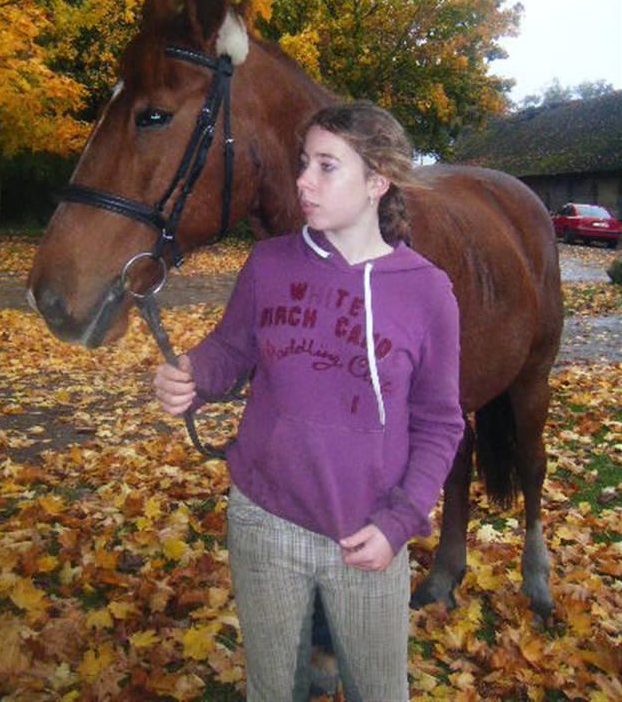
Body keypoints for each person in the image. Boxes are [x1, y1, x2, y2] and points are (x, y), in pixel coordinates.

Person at [154, 100, 464, 702]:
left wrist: (400, 522)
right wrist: (191, 374)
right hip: (264, 520)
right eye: (304, 163)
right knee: (272, 689)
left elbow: (439, 424)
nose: (303, 180)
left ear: (377, 182)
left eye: (327, 166)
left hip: (368, 536)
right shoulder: (269, 263)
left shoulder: (427, 292)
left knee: (380, 690)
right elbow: (231, 350)